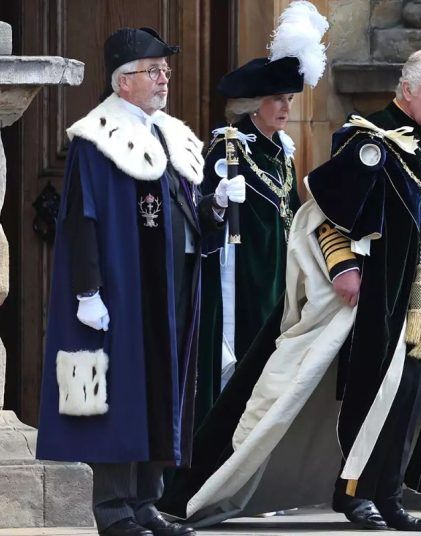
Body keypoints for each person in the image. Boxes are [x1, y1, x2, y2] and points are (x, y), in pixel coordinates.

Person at [163, 49, 421, 533]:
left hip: (418, 296)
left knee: (407, 397)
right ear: (408, 89)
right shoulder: (369, 139)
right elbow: (325, 213)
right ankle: (353, 495)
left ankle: (388, 496)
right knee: (370, 395)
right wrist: (343, 267)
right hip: (371, 297)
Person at [35, 27, 245, 536]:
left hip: (172, 286)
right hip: (124, 289)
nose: (164, 79)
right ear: (123, 81)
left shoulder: (168, 134)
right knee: (121, 394)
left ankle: (148, 501)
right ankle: (114, 510)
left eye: (165, 70)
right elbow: (81, 218)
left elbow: (184, 215)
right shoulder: (96, 138)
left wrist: (215, 205)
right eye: (154, 71)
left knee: (162, 389)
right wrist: (87, 292)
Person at [195, 0, 327, 422]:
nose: (286, 108)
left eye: (288, 99)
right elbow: (203, 218)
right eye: (276, 99)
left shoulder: (281, 151)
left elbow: (293, 211)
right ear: (253, 103)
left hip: (278, 276)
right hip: (244, 278)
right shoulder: (229, 149)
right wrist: (218, 203)